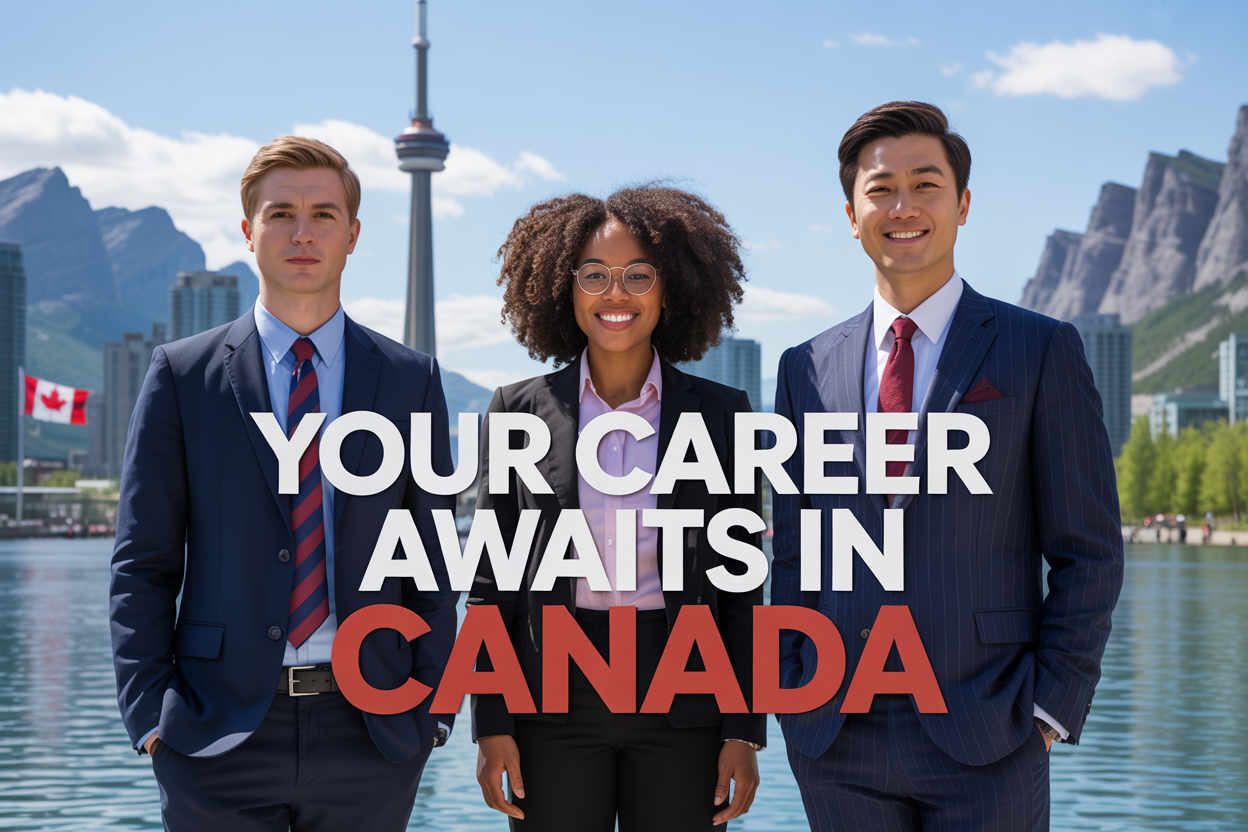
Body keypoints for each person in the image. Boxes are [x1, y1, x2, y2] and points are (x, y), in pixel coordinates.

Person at [770, 102, 1124, 830]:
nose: (903, 206)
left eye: (926, 184)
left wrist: (1050, 709)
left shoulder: (1040, 349)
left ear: (963, 205)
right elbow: (794, 550)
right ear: (850, 213)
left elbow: (1088, 552)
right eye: (881, 188)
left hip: (989, 727)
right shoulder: (804, 366)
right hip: (834, 733)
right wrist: (789, 684)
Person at [109, 136, 459, 831]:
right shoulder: (183, 375)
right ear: (248, 231)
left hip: (374, 727)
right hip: (215, 730)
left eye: (324, 214)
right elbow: (141, 562)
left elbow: (433, 560)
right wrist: (151, 717)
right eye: (281, 214)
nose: (303, 232)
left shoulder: (409, 379)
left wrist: (434, 712)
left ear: (353, 235)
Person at [470, 186, 766, 831]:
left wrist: (744, 731)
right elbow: (492, 585)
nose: (616, 293)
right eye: (594, 275)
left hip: (686, 691)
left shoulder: (722, 415)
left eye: (639, 275)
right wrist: (490, 723)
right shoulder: (516, 410)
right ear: (562, 289)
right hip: (551, 698)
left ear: (672, 289)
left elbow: (742, 590)